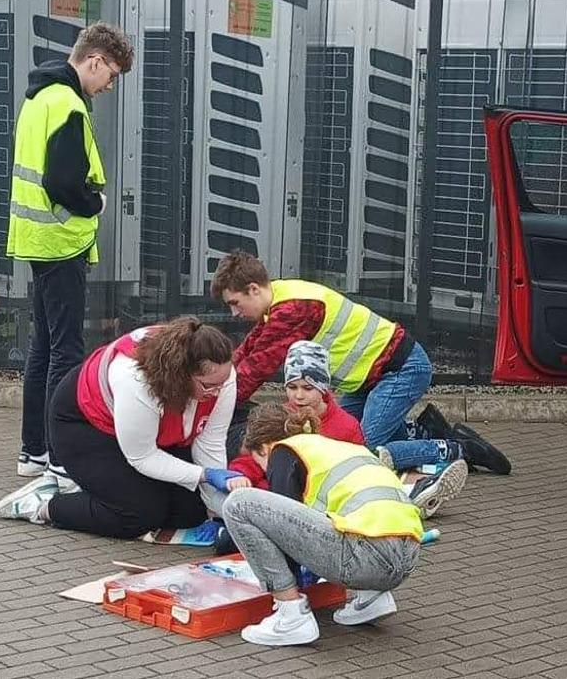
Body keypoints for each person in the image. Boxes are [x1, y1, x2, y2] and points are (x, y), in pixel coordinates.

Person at [212, 251, 511, 475]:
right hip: (371, 377)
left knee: (362, 449)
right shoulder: (280, 300)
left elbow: (257, 368)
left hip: (399, 369)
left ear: (253, 289)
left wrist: (216, 404)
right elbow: (246, 354)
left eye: (235, 303)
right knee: (339, 437)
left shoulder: (292, 309)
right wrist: (218, 387)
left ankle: (456, 449)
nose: (235, 312)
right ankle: (425, 430)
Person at [7, 22, 135, 481]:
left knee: (43, 348)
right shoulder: (68, 105)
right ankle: (61, 459)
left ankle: (33, 451)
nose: (109, 86)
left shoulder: (39, 97)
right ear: (95, 61)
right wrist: (95, 202)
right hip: (62, 241)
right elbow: (62, 183)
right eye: (112, 74)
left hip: (36, 239)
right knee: (66, 351)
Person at [0, 319, 236, 539]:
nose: (217, 392)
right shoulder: (137, 380)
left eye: (222, 384)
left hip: (141, 432)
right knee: (139, 514)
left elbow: (210, 441)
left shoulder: (220, 376)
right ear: (182, 374)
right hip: (84, 425)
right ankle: (43, 506)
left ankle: (100, 489)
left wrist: (219, 509)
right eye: (209, 387)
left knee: (189, 513)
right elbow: (143, 457)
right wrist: (203, 475)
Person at [221, 402, 426, 647]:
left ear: (264, 448)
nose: (266, 472)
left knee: (238, 504)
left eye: (259, 462)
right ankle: (371, 598)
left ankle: (291, 616)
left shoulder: (284, 451)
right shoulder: (334, 448)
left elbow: (283, 534)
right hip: (406, 558)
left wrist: (286, 581)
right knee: (344, 515)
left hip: (367, 556)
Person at [224, 341, 466, 519]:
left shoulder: (346, 427)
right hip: (280, 496)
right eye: (292, 386)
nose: (298, 396)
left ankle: (413, 487)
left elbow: (353, 473)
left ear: (323, 387)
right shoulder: (278, 418)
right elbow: (252, 457)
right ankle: (411, 487)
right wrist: (238, 475)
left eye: (308, 388)